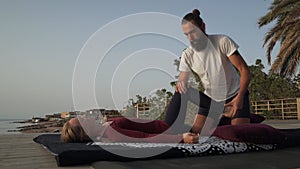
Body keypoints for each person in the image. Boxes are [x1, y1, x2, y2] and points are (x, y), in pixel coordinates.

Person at [164, 9, 251, 135]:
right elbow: (182, 81)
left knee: (239, 135)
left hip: (235, 96)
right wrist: (181, 84)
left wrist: (240, 97)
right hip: (211, 101)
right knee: (198, 133)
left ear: (203, 27)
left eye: (193, 32)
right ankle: (219, 113)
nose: (190, 38)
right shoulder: (187, 55)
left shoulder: (222, 41)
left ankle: (228, 117)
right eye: (186, 35)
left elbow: (245, 71)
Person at [61, 116, 200, 144]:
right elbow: (145, 137)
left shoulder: (106, 126)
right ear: (85, 132)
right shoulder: (112, 133)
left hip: (164, 123)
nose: (84, 115)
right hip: (169, 127)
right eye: (82, 120)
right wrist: (181, 138)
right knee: (183, 90)